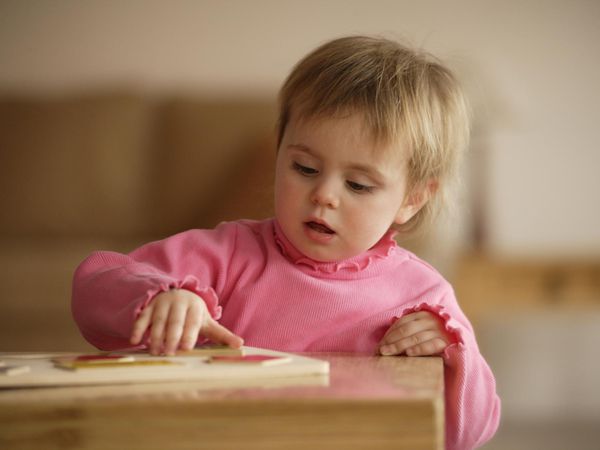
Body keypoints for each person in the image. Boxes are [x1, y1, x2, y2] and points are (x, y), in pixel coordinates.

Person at [72, 35, 500, 449]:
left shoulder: (424, 299)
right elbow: (96, 282)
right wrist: (160, 298)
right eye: (306, 168)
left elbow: (469, 432)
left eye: (357, 184)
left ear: (411, 199)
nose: (325, 195)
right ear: (279, 154)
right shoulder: (226, 255)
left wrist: (454, 352)